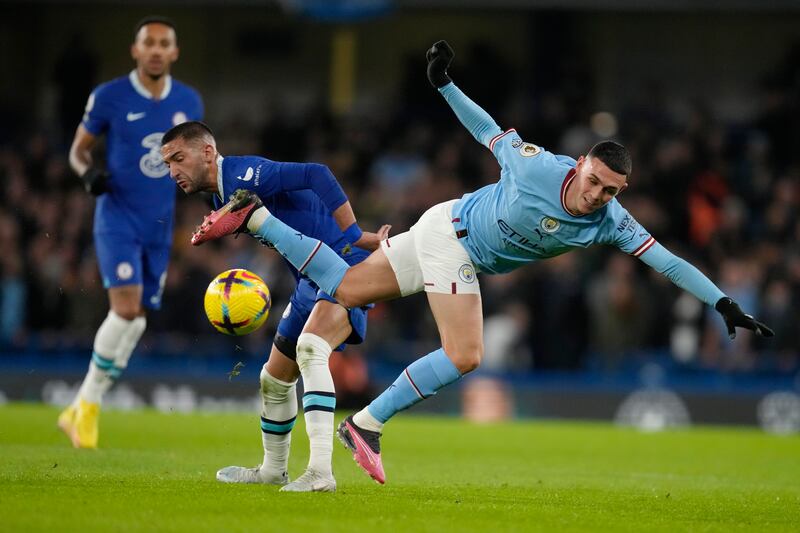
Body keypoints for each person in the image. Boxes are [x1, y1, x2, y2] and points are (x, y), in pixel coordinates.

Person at [190, 41, 774, 485]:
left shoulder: (612, 222)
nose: (598, 196)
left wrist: (722, 302)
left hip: (438, 232)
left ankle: (259, 221)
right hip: (454, 238)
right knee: (467, 352)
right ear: (580, 165)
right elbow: (487, 129)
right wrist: (444, 84)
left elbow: (669, 262)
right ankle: (366, 422)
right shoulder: (538, 166)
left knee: (340, 288)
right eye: (595, 181)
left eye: (611, 191)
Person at [160, 121, 389, 492]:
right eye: (167, 163)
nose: (172, 172)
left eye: (178, 158)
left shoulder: (244, 174)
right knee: (275, 378)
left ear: (206, 152)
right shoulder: (218, 196)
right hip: (307, 281)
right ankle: (273, 469)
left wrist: (354, 235)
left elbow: (317, 173)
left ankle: (320, 473)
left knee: (312, 349)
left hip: (344, 271)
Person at [58, 16, 204, 449]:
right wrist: (88, 176)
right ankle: (86, 406)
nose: (156, 50)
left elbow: (195, 162)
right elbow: (77, 152)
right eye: (149, 43)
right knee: (124, 309)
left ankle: (83, 405)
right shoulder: (109, 97)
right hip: (117, 214)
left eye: (164, 44)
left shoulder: (189, 101)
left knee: (138, 318)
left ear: (174, 52)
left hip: (159, 221)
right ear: (135, 51)